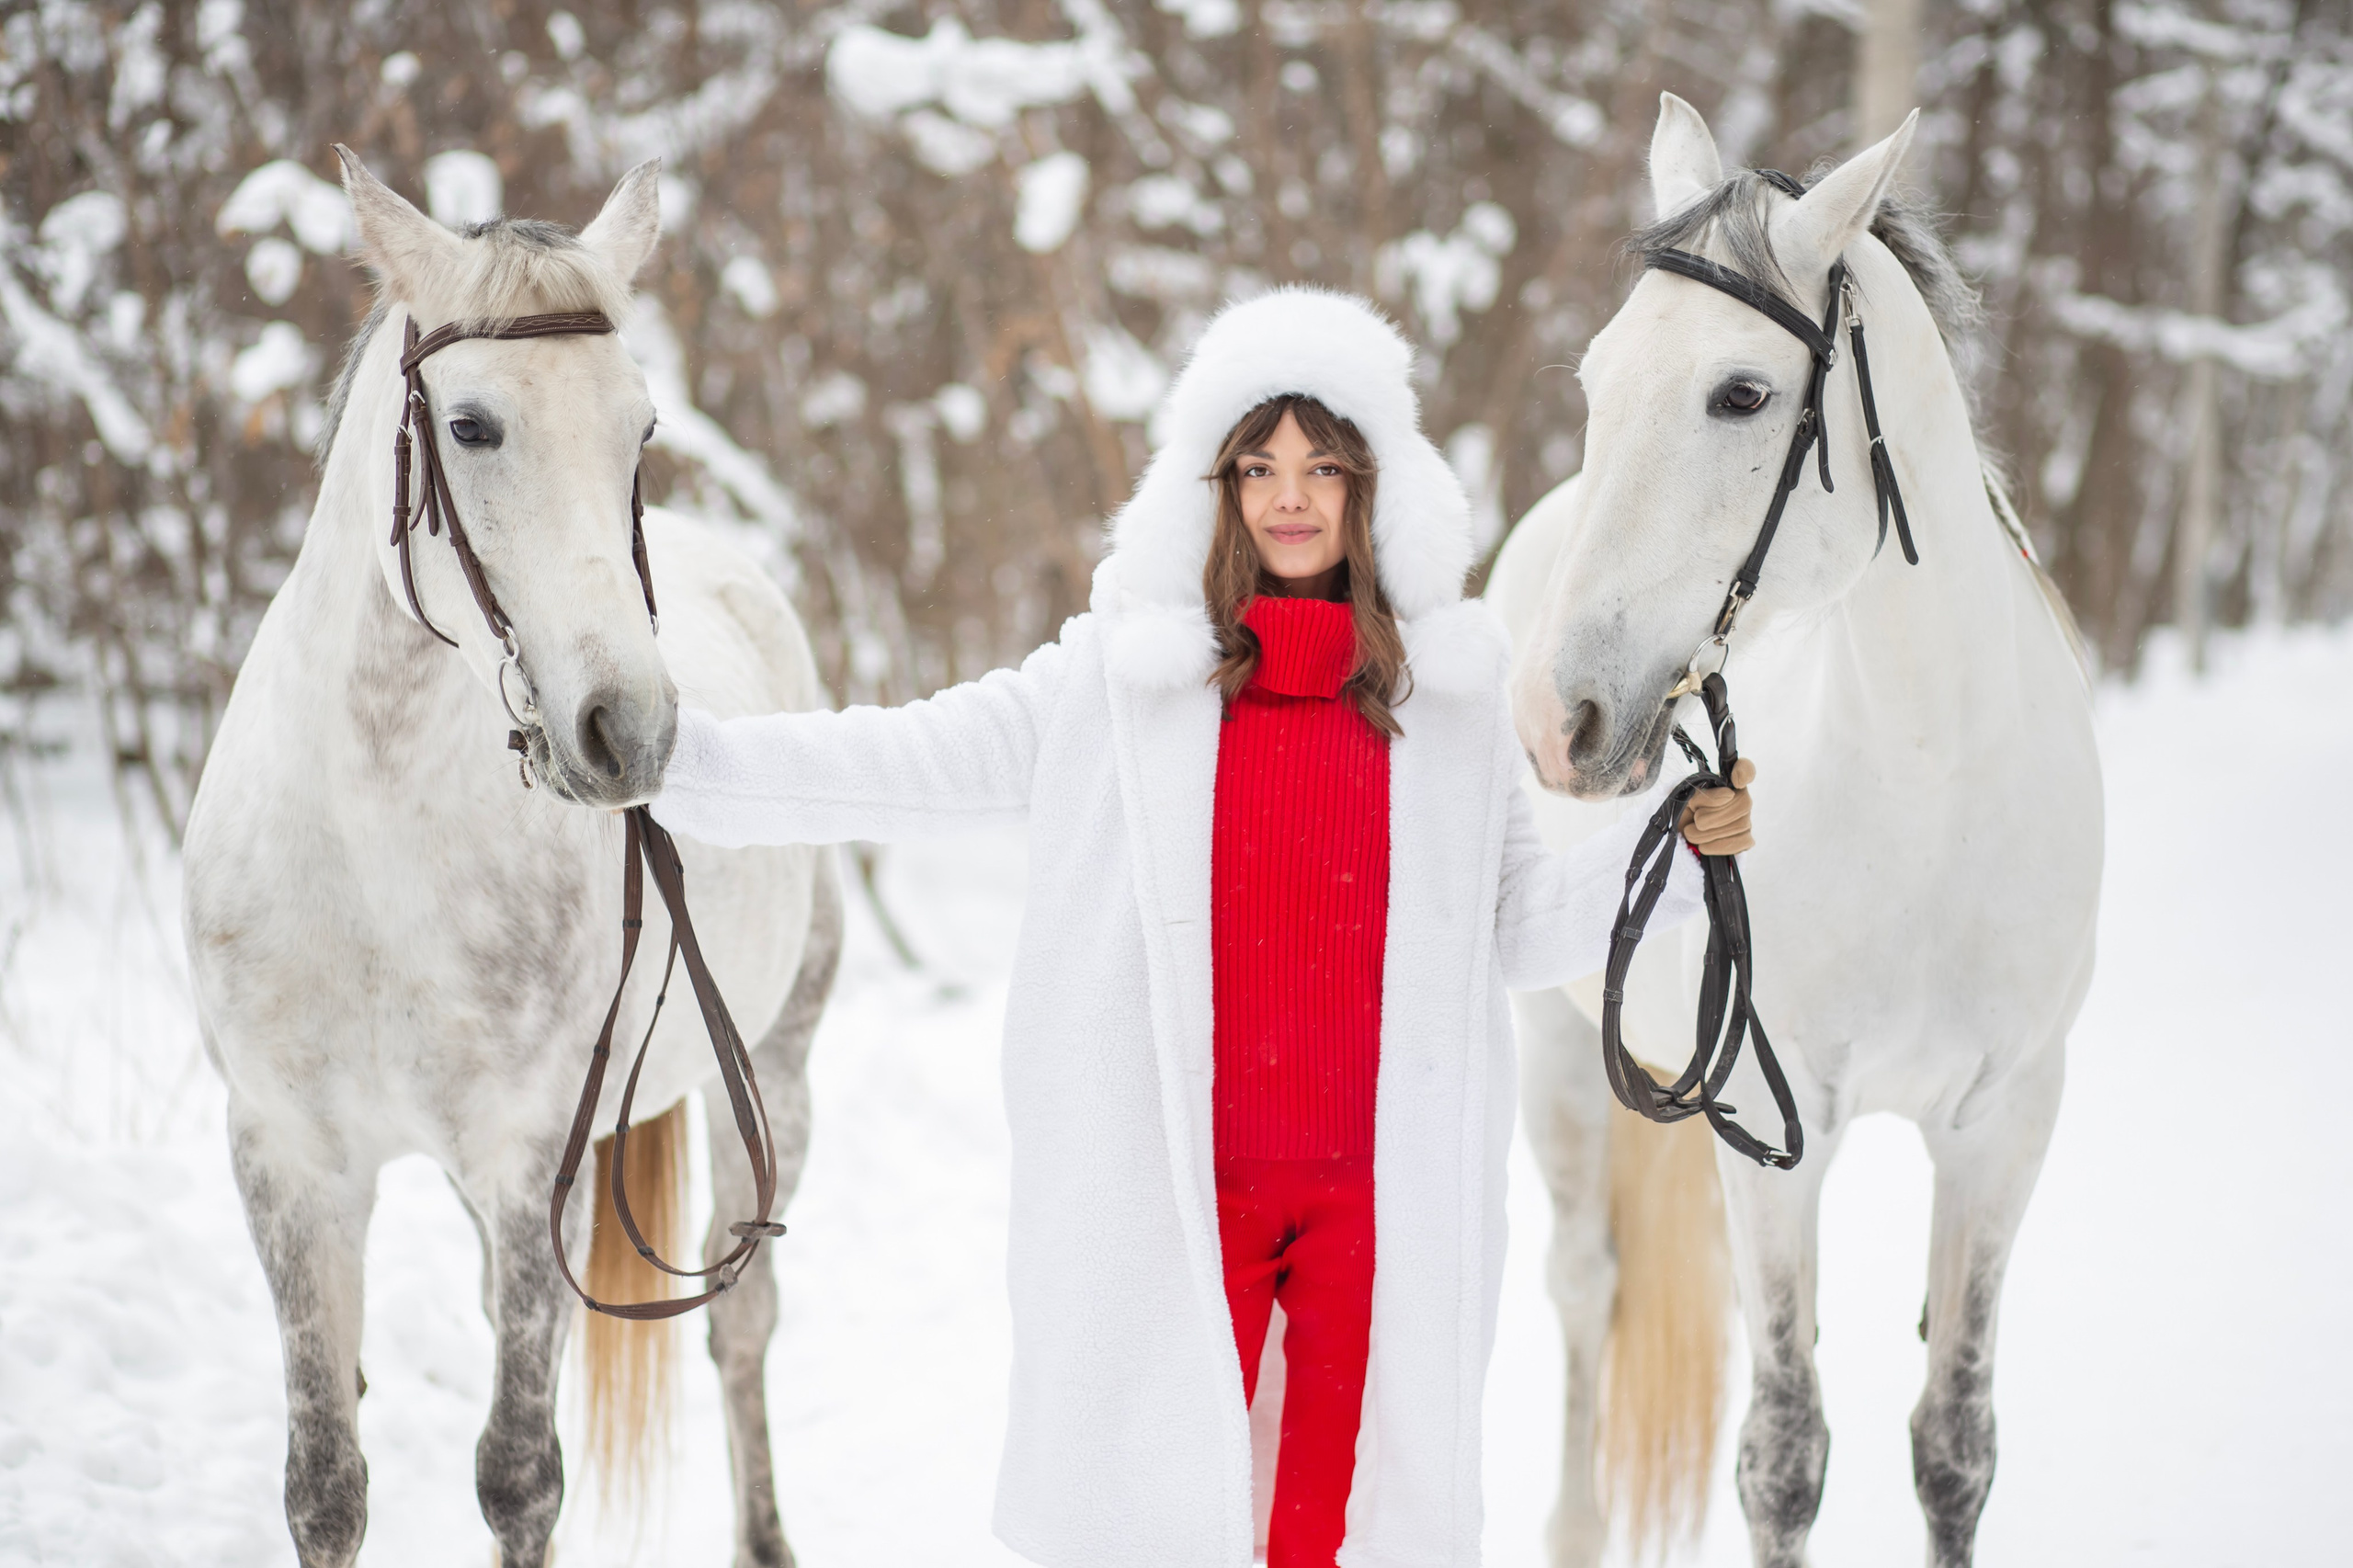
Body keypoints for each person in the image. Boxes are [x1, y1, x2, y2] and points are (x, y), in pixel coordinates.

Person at [651, 287, 1752, 1568]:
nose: (1291, 496)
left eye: (1322, 466)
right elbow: (906, 759)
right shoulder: (1121, 684)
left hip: (1365, 1201)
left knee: (1319, 1526)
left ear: (1369, 487)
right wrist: (686, 767)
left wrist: (1670, 854)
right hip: (1189, 1193)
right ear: (1214, 491)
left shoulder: (1445, 700)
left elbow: (1511, 929)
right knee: (1167, 1519)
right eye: (1259, 467)